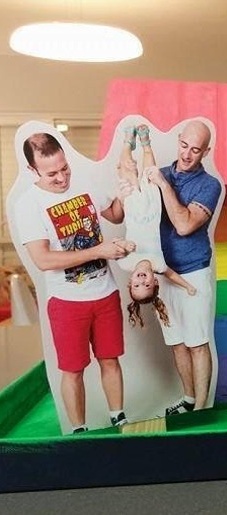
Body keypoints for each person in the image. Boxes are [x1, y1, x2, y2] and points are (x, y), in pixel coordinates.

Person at [14, 132, 130, 433]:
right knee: (73, 369)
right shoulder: (28, 205)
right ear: (32, 170)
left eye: (64, 168)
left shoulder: (85, 185)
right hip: (67, 303)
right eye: (52, 173)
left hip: (106, 294)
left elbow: (116, 216)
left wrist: (125, 192)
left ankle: (119, 419)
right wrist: (99, 251)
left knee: (110, 360)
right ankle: (79, 431)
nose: (62, 177)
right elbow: (43, 260)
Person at [146, 120, 222, 416]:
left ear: (206, 152)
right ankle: (189, 399)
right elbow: (131, 211)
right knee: (177, 342)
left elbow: (184, 225)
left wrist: (163, 186)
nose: (187, 154)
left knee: (197, 343)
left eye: (195, 150)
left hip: (194, 272)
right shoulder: (160, 173)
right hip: (163, 273)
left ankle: (201, 410)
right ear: (178, 140)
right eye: (184, 146)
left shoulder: (209, 185)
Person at [114, 125, 197, 329]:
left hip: (133, 207)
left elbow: (114, 244)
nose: (142, 280)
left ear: (130, 282)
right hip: (152, 208)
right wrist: (188, 286)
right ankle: (146, 144)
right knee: (150, 173)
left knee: (127, 171)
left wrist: (123, 244)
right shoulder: (158, 265)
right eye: (147, 285)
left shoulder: (126, 263)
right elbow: (172, 275)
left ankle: (127, 143)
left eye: (137, 285)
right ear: (155, 281)